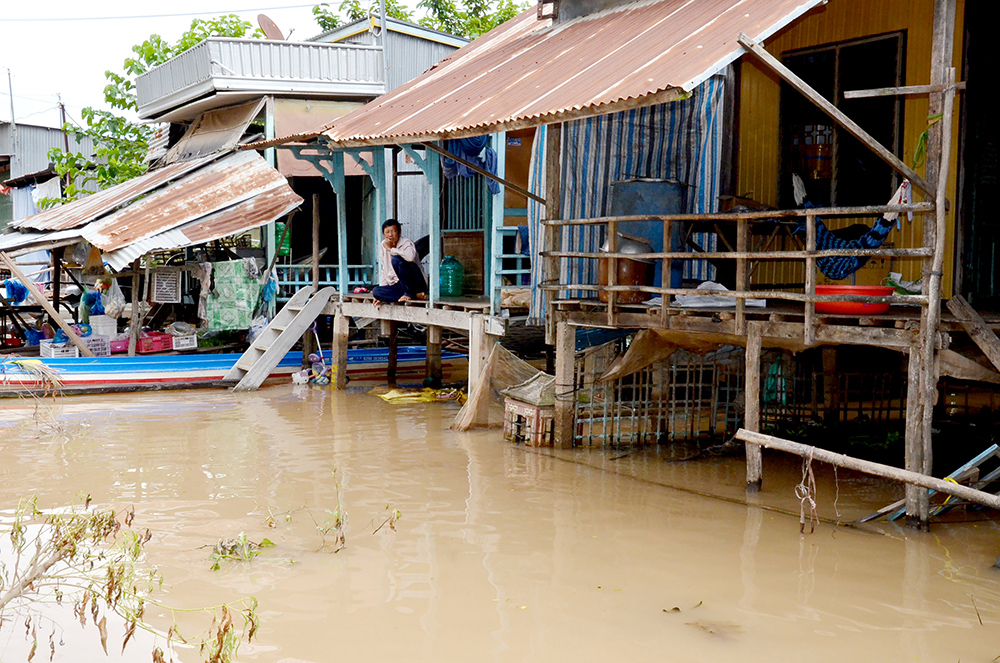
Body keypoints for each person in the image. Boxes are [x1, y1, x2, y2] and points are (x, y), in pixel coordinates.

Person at [373, 219, 427, 307]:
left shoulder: (406, 243)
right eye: (387, 232)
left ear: (399, 233)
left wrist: (391, 249)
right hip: (400, 285)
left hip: (416, 283)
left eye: (394, 231)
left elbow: (410, 257)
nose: (390, 235)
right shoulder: (383, 245)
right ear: (383, 234)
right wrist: (382, 292)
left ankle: (410, 293)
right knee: (376, 292)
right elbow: (385, 269)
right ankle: (414, 295)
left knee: (396, 260)